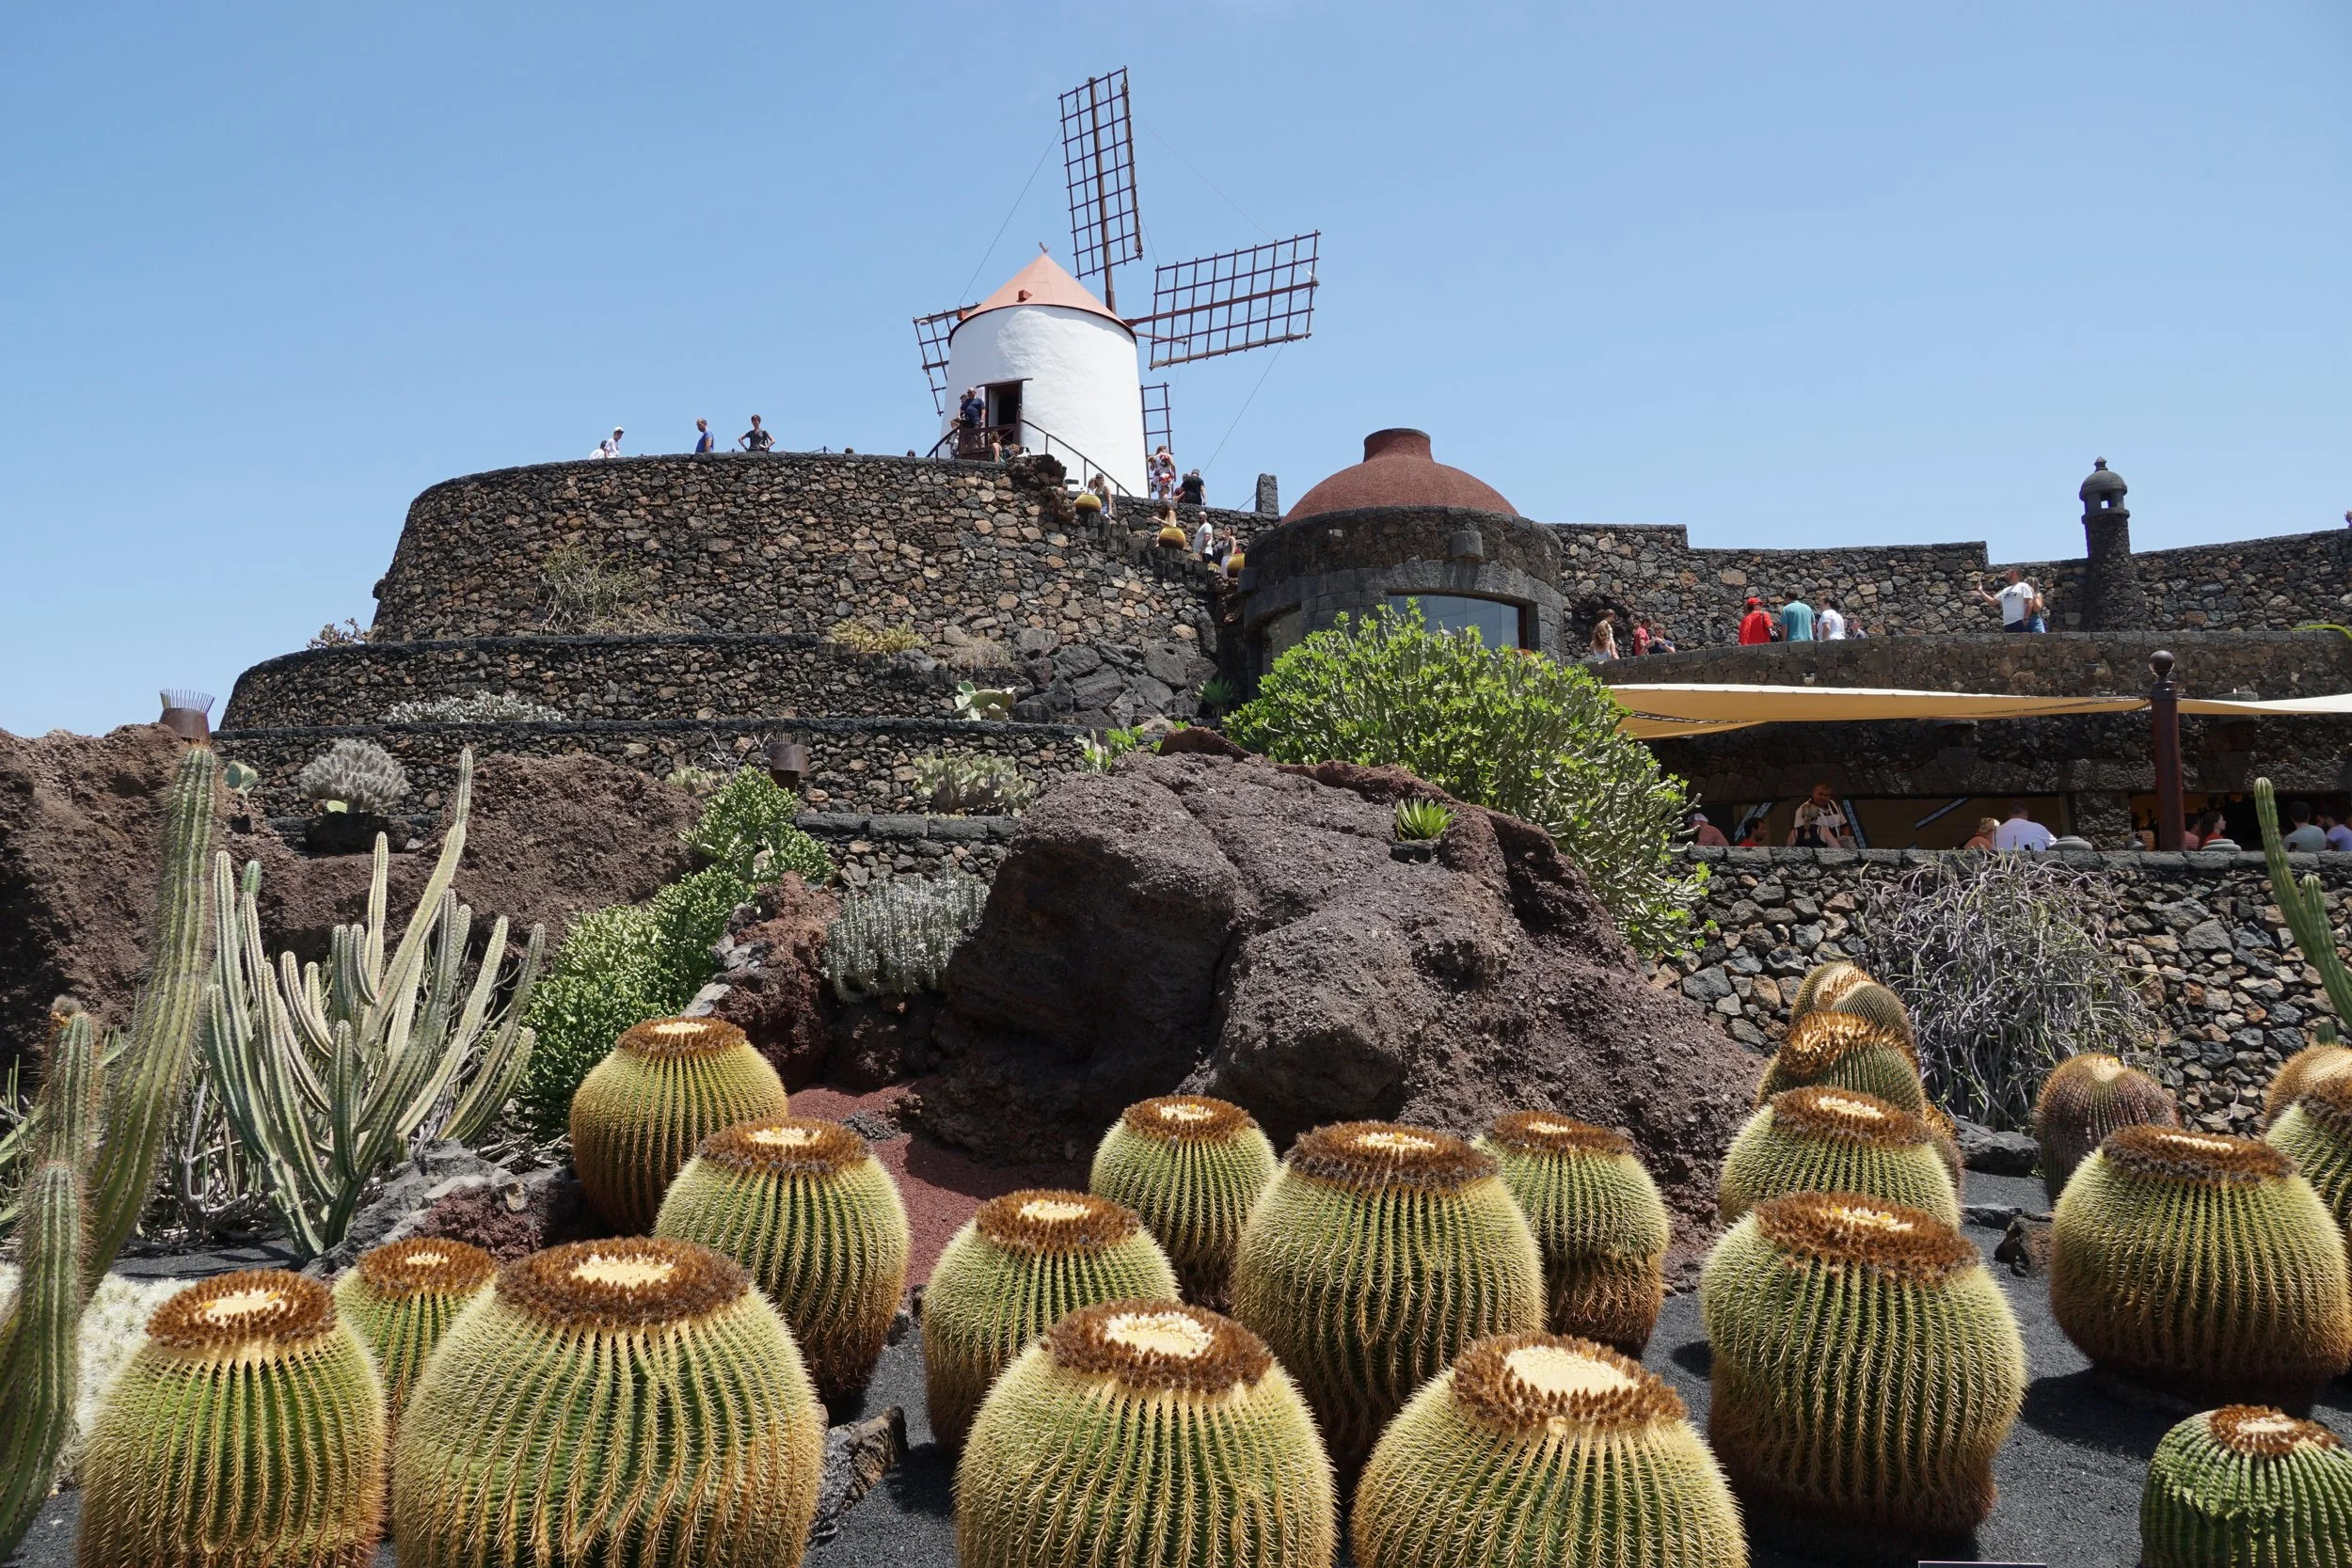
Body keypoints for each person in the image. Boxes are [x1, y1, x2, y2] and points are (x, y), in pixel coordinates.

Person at [1788, 783, 1852, 848]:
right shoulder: (1802, 810)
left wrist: (1846, 841)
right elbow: (1800, 836)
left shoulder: (1833, 804)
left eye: (1826, 795)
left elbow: (1844, 825)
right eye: (1820, 794)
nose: (1823, 798)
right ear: (1813, 794)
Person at [1979, 568, 2038, 633]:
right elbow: (1992, 602)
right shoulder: (2005, 590)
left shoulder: (2023, 586)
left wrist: (2025, 618)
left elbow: (2029, 602)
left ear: (2014, 573)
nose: (2005, 576)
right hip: (2008, 623)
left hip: (2020, 621)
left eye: (2007, 574)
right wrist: (1981, 591)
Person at [1992, 804, 2056, 852]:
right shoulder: (2038, 827)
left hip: (2004, 868)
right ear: (2026, 814)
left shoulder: (1995, 832)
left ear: (2009, 814)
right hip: (2035, 867)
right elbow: (2057, 845)